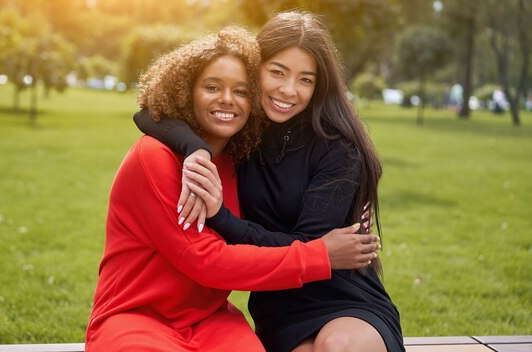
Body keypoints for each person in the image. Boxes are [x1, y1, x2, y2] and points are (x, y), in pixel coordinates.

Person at [86, 26, 380, 352]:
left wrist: (348, 200)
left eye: (240, 91)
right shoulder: (154, 157)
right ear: (185, 91)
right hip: (137, 316)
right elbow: (207, 261)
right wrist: (321, 254)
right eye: (212, 87)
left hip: (211, 319)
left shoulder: (238, 157)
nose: (227, 99)